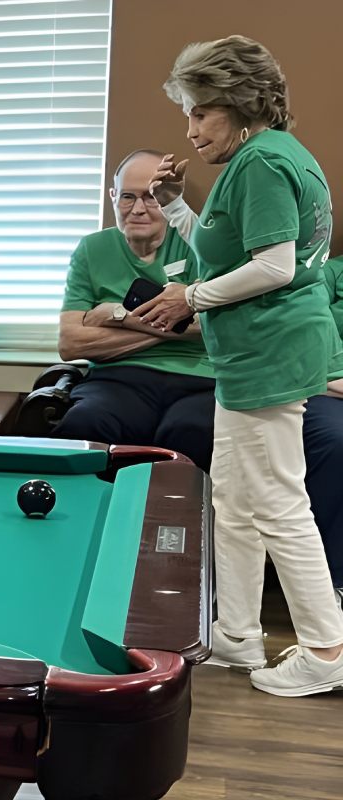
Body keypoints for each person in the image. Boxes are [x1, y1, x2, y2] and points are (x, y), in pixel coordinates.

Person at [137, 35, 343, 696]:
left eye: (200, 113)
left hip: (269, 352)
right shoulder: (264, 159)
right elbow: (223, 252)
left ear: (238, 104)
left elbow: (275, 267)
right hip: (252, 354)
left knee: (278, 500)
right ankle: (236, 634)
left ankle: (327, 649)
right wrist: (174, 204)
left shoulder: (260, 163)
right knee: (231, 495)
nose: (190, 130)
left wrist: (188, 297)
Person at [53, 149, 214, 471]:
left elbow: (219, 328)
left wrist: (115, 316)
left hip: (200, 380)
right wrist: (175, 323)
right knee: (86, 423)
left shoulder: (198, 241)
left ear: (169, 199)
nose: (138, 209)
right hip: (118, 380)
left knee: (190, 431)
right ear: (113, 197)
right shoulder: (92, 249)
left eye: (151, 198)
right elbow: (71, 344)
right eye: (127, 197)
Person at [307, 256, 343, 607]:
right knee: (338, 443)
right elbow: (304, 339)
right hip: (327, 390)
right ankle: (334, 582)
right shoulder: (329, 274)